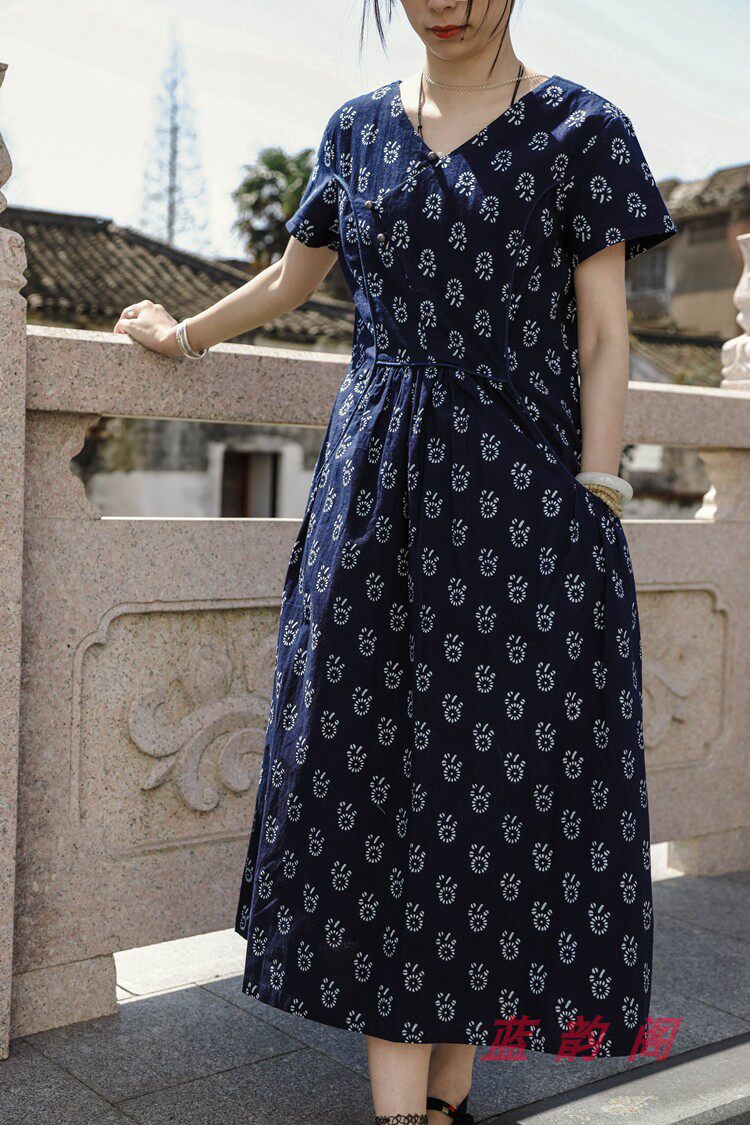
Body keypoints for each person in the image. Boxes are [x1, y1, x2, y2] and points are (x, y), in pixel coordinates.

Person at [114, 2, 678, 1121]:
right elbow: (290, 281)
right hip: (372, 505)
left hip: (523, 511)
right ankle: (408, 1109)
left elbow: (605, 334)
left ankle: (440, 1097)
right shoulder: (356, 129)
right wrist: (181, 336)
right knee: (374, 780)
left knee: (483, 793)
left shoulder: (585, 130)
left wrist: (600, 494)